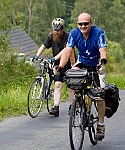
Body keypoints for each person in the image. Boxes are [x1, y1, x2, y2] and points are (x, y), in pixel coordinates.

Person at [56, 13, 107, 141]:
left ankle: (100, 125)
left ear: (91, 23)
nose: (83, 26)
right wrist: (61, 66)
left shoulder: (98, 33)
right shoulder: (74, 34)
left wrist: (103, 63)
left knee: (99, 96)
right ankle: (79, 103)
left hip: (96, 64)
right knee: (73, 77)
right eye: (80, 24)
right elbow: (67, 51)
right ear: (77, 24)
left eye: (86, 23)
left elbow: (102, 50)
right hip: (82, 63)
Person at [32, 18, 76, 117]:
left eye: (58, 30)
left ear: (62, 29)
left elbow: (65, 50)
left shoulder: (68, 37)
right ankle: (56, 107)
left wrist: (54, 58)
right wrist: (37, 55)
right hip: (57, 65)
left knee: (71, 87)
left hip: (68, 64)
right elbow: (43, 46)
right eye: (55, 30)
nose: (56, 32)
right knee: (57, 85)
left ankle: (72, 106)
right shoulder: (51, 37)